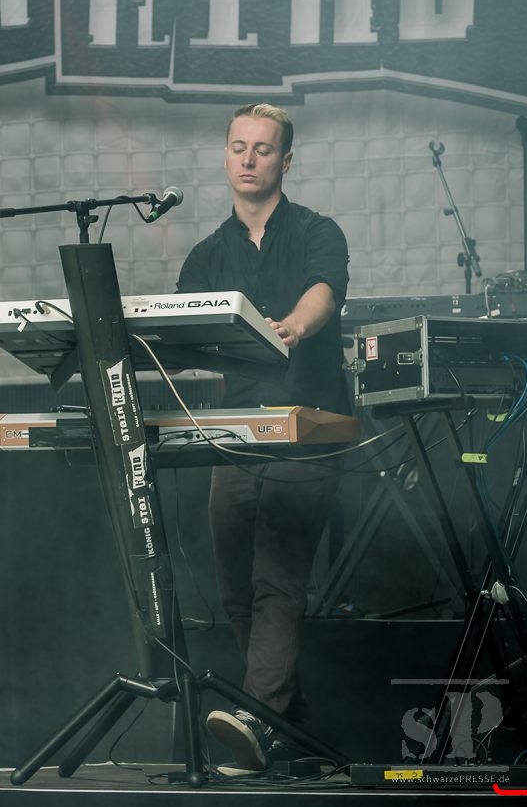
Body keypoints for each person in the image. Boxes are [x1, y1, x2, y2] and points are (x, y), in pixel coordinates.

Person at [176, 102, 350, 771]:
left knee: (277, 578)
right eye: (238, 147)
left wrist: (293, 326)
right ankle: (290, 734)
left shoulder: (317, 231)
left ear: (286, 160)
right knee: (235, 592)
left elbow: (322, 293)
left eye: (263, 149)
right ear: (226, 155)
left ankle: (254, 719)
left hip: (308, 427)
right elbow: (183, 332)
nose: (248, 159)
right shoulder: (206, 254)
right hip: (236, 436)